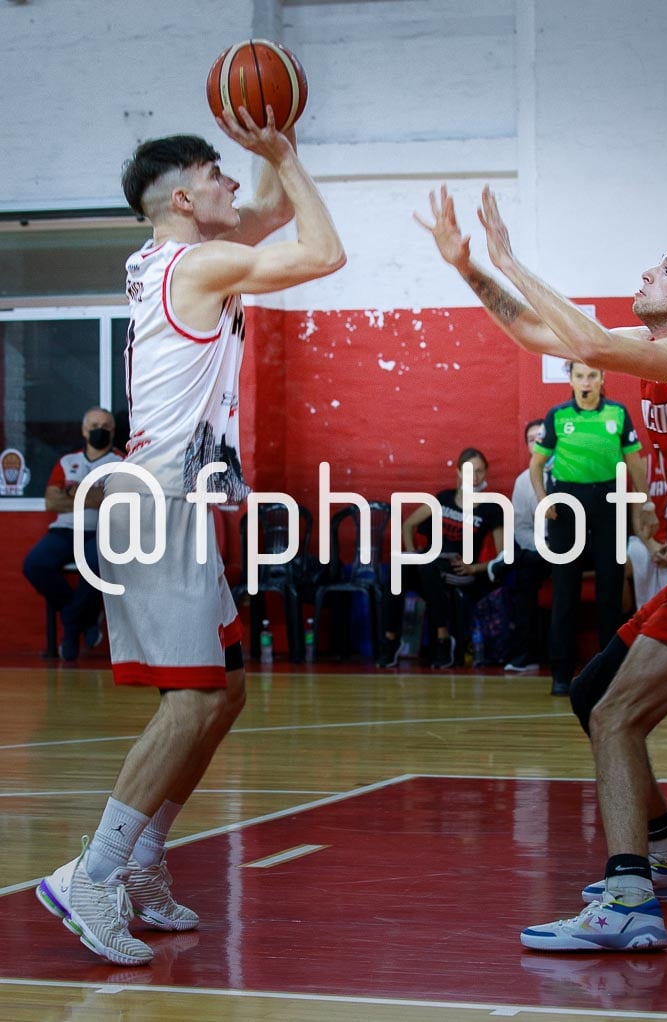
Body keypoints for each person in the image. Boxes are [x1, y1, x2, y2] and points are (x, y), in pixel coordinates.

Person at [416, 184, 667, 952]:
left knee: (617, 717)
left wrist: (509, 256)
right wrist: (469, 268)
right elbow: (541, 336)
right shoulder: (652, 352)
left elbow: (585, 345)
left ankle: (627, 901)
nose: (649, 271)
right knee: (593, 696)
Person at [35, 106, 345, 966]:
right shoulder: (201, 264)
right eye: (216, 173)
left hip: (173, 504)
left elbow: (268, 210)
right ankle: (92, 874)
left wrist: (277, 136)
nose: (232, 182)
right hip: (159, 505)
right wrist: (284, 157)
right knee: (194, 700)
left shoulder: (162, 257)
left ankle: (139, 859)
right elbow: (322, 250)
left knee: (226, 690)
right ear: (181, 198)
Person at [527, 361, 651, 696]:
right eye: (579, 376)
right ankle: (561, 674)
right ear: (570, 380)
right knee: (564, 592)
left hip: (609, 503)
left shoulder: (617, 413)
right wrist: (543, 500)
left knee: (610, 593)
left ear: (601, 378)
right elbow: (536, 465)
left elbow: (635, 462)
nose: (586, 382)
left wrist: (646, 503)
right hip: (566, 506)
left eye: (592, 375)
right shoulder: (557, 416)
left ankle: (607, 675)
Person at [378, 448, 504, 669]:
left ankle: (443, 639)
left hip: (459, 571)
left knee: (427, 565)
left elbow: (503, 556)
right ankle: (391, 640)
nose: (475, 477)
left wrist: (474, 568)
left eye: (480, 471)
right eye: (469, 471)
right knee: (399, 566)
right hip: (429, 567)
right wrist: (412, 553)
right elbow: (408, 525)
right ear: (458, 472)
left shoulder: (491, 508)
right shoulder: (444, 498)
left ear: (486, 473)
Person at [22, 407, 123, 661]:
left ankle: (70, 627)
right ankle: (84, 619)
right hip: (64, 531)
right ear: (84, 431)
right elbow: (51, 502)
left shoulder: (122, 463)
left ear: (113, 432)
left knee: (94, 562)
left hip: (101, 533)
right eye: (94, 425)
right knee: (34, 564)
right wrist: (93, 496)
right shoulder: (67, 462)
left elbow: (115, 501)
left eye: (105, 426)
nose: (99, 430)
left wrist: (72, 493)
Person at [501, 419, 552, 674]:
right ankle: (525, 654)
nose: (537, 443)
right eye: (531, 440)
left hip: (577, 546)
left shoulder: (573, 471)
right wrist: (543, 547)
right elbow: (520, 528)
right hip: (541, 549)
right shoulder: (523, 482)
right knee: (524, 573)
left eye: (541, 437)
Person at [624, 449, 667, 614]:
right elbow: (638, 520)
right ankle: (629, 620)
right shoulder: (643, 463)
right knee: (618, 564)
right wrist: (653, 547)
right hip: (648, 540)